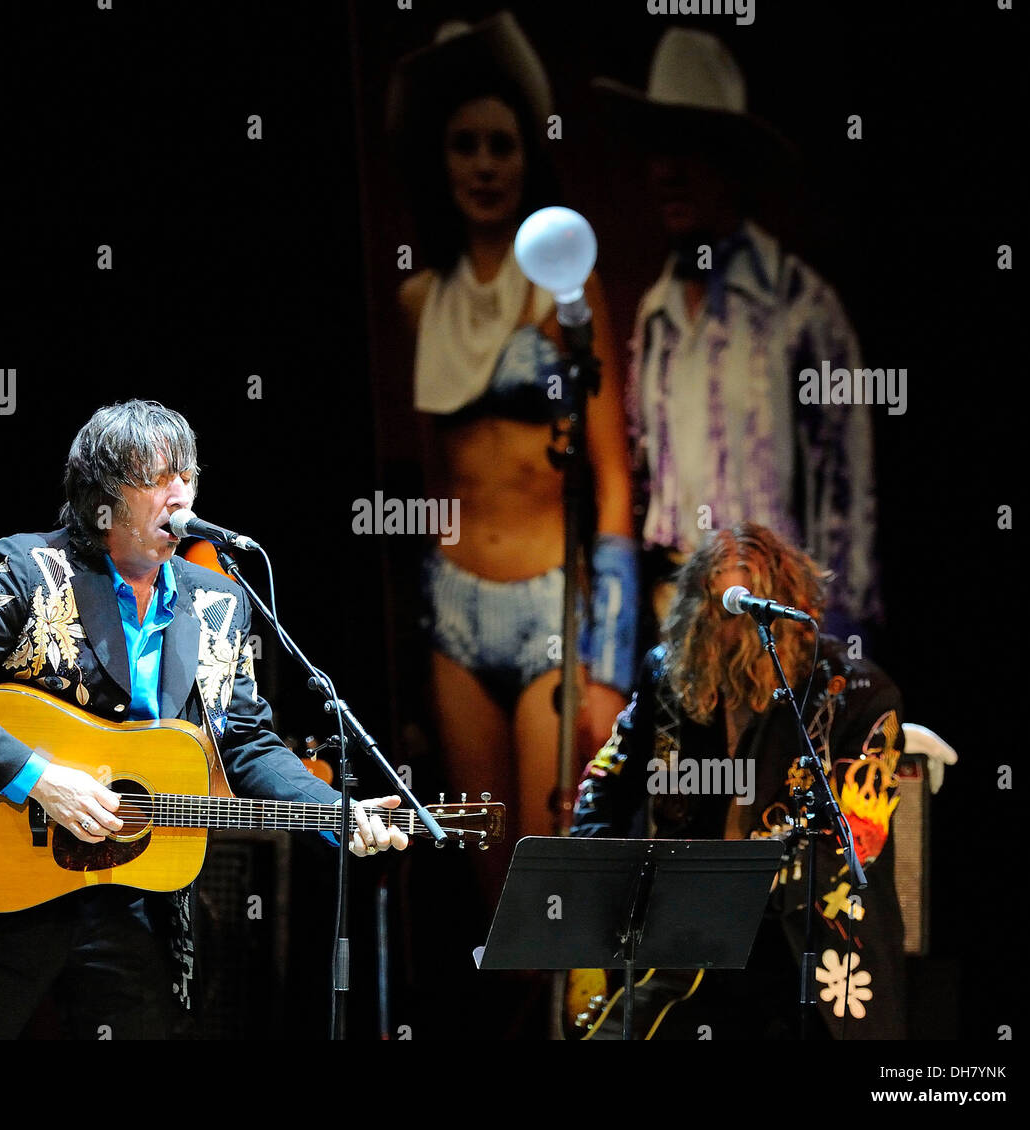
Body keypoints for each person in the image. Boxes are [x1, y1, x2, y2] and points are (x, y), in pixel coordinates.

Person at [0, 399, 408, 1039]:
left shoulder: (218, 601)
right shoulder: (32, 572)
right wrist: (39, 778)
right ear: (103, 496)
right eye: (155, 477)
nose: (178, 493)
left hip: (133, 897)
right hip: (0, 887)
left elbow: (244, 741)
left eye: (185, 473)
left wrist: (333, 811)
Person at [388, 13, 639, 848]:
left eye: (503, 145)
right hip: (455, 608)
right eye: (466, 145)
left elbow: (612, 474)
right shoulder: (420, 301)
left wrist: (606, 660)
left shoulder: (567, 288)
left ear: (530, 158)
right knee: (484, 871)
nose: (485, 166)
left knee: (546, 870)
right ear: (442, 158)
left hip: (548, 606)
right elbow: (434, 475)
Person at [594, 29, 879, 648]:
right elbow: (644, 484)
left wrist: (840, 649)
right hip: (684, 625)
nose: (667, 171)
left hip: (782, 625)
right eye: (657, 149)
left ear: (729, 163)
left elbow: (848, 496)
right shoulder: (657, 314)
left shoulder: (800, 307)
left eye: (688, 149)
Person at [571, 523, 906, 1039]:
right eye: (716, 609)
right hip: (687, 945)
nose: (728, 629)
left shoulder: (856, 692)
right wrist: (606, 884)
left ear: (789, 611)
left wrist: (727, 886)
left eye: (745, 610)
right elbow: (606, 782)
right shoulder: (669, 675)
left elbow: (852, 839)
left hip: (808, 950)